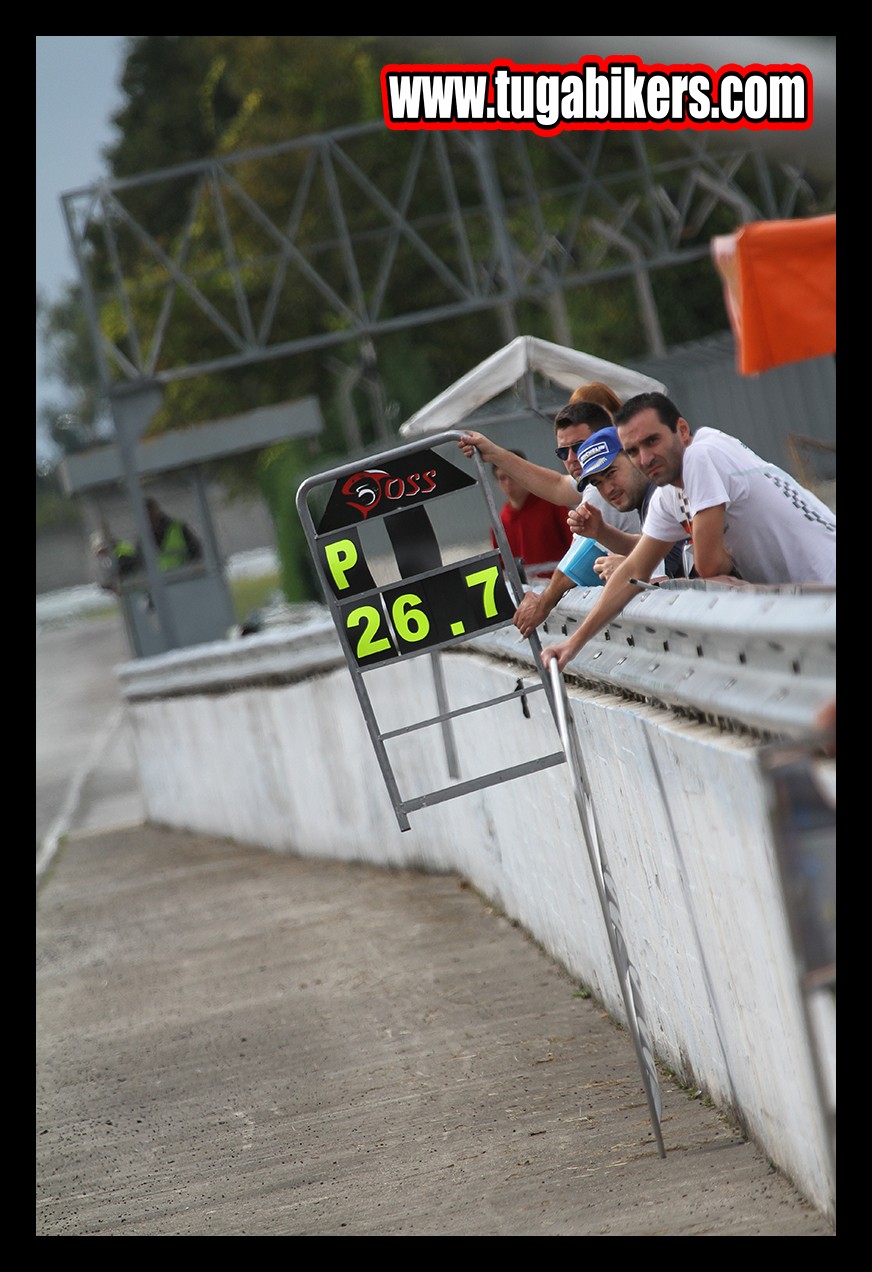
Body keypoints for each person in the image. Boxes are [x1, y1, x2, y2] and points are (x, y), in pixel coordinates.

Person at [541, 392, 837, 672]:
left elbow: (709, 566)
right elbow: (634, 569)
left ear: (682, 430)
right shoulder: (667, 495)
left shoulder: (700, 454)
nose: (645, 459)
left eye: (652, 441)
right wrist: (573, 643)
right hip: (811, 608)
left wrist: (675, 581)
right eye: (633, 451)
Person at [514, 426, 689, 636]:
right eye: (598, 483)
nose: (607, 489)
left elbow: (693, 571)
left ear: (633, 455)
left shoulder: (664, 493)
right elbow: (657, 548)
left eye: (611, 472)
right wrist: (602, 532)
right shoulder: (648, 500)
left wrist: (630, 568)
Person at [490, 449, 574, 579]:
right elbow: (503, 567)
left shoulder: (552, 503)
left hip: (564, 584)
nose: (508, 484)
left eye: (511, 476)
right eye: (502, 478)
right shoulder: (500, 522)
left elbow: (575, 542)